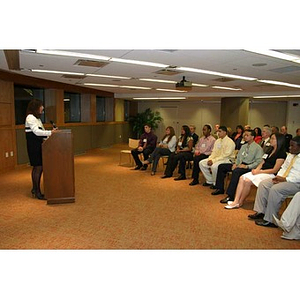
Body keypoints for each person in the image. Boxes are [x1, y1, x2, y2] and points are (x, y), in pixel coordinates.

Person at [247, 136, 300, 227]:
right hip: (284, 178)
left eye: (292, 146)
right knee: (264, 184)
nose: (290, 148)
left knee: (275, 189)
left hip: (295, 183)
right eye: (290, 145)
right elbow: (284, 168)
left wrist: (285, 179)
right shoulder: (290, 155)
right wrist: (279, 177)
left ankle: (270, 219)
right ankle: (261, 212)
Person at [224, 133, 286, 209]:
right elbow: (262, 162)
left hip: (270, 174)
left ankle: (240, 202)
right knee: (241, 178)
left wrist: (259, 172)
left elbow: (275, 170)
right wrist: (257, 169)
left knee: (247, 181)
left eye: (273, 139)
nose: (271, 140)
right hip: (261, 171)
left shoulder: (281, 154)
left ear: (279, 141)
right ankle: (236, 201)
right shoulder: (269, 150)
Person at [212, 130, 263, 203]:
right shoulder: (243, 146)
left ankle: (231, 196)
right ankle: (219, 188)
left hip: (248, 167)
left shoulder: (258, 148)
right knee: (221, 166)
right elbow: (238, 157)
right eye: (244, 135)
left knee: (236, 172)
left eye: (247, 135)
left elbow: (258, 162)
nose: (245, 137)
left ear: (252, 137)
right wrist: (235, 164)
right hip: (239, 164)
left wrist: (247, 166)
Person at [25, 99, 56, 200]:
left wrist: (49, 135)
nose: (42, 108)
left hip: (38, 145)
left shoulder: (36, 118)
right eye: (41, 106)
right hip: (34, 146)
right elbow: (37, 132)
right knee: (38, 167)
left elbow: (41, 132)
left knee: (38, 167)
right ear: (36, 107)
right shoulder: (30, 118)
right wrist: (51, 133)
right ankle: (37, 192)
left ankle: (35, 189)